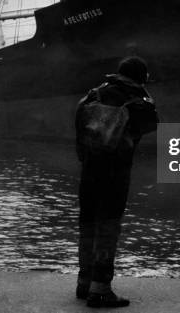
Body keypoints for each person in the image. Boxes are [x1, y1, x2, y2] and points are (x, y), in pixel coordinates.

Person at [75, 56, 158, 308]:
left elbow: (79, 130)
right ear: (141, 77)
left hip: (89, 171)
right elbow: (153, 123)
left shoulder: (92, 96)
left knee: (88, 224)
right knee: (108, 227)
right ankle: (100, 290)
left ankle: (84, 283)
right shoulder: (136, 102)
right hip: (115, 174)